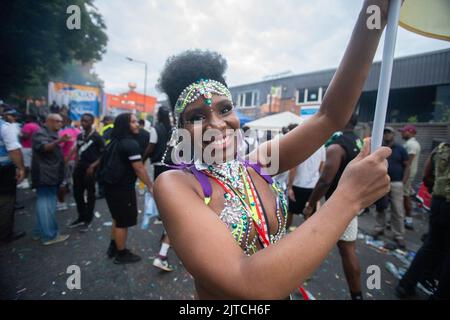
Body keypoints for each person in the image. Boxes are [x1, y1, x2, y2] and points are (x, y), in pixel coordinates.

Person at [153, 0, 393, 300]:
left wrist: (373, 18)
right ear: (180, 129)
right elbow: (246, 284)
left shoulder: (257, 163)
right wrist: (349, 197)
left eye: (224, 109)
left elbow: (329, 116)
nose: (217, 124)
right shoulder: (175, 185)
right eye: (197, 117)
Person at [302, 114, 364, 300]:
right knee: (347, 249)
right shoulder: (359, 143)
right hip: (352, 201)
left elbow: (325, 180)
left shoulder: (337, 147)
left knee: (314, 244)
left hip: (336, 205)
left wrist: (310, 204)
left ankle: (296, 277)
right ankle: (357, 295)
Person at [396, 140, 450, 300]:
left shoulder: (442, 147)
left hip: (439, 202)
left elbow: (427, 174)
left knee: (432, 245)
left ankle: (406, 285)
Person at [99, 113, 153, 264]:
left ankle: (113, 247)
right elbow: (139, 169)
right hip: (122, 188)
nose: (137, 124)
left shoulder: (115, 141)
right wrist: (150, 186)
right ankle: (121, 254)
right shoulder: (130, 144)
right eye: (133, 122)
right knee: (123, 221)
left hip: (111, 187)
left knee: (117, 218)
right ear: (125, 124)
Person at [143, 107, 176, 272]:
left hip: (160, 168)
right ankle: (163, 252)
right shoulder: (174, 130)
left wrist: (143, 158)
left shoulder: (155, 130)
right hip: (175, 169)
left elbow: (151, 146)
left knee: (166, 204)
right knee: (174, 211)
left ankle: (162, 220)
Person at [32, 114, 70, 245]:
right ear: (48, 121)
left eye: (61, 122)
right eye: (57, 121)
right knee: (47, 203)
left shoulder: (49, 133)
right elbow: (44, 148)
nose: (60, 124)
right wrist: (60, 141)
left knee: (44, 202)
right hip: (46, 174)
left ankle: (40, 231)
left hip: (50, 174)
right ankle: (50, 236)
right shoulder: (40, 134)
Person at [373, 127, 410, 249]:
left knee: (397, 209)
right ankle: (379, 228)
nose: (386, 135)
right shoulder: (380, 148)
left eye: (389, 132)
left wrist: (403, 182)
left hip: (396, 183)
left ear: (393, 135)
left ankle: (398, 235)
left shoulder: (400, 149)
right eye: (385, 133)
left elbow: (407, 166)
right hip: (381, 182)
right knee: (381, 207)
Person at [68, 113, 104, 232]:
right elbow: (78, 151)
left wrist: (93, 166)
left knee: (90, 194)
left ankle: (88, 219)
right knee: (77, 193)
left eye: (86, 121)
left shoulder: (97, 137)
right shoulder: (79, 136)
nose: (83, 123)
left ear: (92, 122)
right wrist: (76, 164)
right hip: (79, 168)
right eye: (82, 121)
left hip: (91, 170)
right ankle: (81, 216)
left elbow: (104, 155)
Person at [286, 142, 325, 229]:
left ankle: (284, 234)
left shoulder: (300, 145)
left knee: (290, 211)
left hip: (297, 185)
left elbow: (293, 168)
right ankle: (308, 237)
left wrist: (289, 187)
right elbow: (321, 167)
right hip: (312, 187)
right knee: (309, 214)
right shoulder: (321, 146)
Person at [0, 115, 26, 244]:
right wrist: (21, 168)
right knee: (6, 201)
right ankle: (5, 234)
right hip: (3, 170)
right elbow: (13, 150)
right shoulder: (4, 127)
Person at [399, 124, 421, 230]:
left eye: (404, 131)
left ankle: (408, 219)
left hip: (406, 175)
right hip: (406, 175)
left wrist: (404, 178)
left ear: (411, 132)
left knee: (405, 196)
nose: (402, 133)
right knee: (404, 195)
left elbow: (408, 163)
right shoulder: (409, 143)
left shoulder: (412, 144)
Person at [57, 116, 80, 211]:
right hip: (76, 160)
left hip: (65, 159)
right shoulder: (78, 132)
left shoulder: (62, 133)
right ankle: (68, 189)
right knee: (70, 177)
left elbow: (58, 147)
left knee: (62, 181)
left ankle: (61, 203)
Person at [19, 115, 40, 189]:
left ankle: (25, 181)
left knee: (26, 165)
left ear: (30, 119)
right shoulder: (37, 126)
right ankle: (34, 183)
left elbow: (26, 136)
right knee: (33, 166)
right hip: (34, 147)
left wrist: (19, 135)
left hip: (26, 147)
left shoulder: (27, 126)